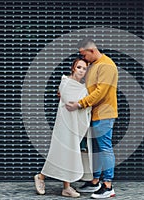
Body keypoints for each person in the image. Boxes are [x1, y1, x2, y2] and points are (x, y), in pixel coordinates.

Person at [66, 38, 118, 199]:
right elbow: (87, 89)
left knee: (104, 148)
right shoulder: (95, 66)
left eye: (83, 55)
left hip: (104, 114)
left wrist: (80, 104)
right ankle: (95, 181)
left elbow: (100, 92)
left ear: (92, 51)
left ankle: (108, 185)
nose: (83, 58)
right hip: (94, 114)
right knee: (95, 149)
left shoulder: (106, 66)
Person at [34, 58, 93, 198]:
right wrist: (83, 102)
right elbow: (70, 103)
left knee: (69, 155)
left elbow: (83, 103)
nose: (81, 71)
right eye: (79, 67)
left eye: (84, 69)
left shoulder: (83, 87)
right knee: (59, 153)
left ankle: (66, 187)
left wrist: (83, 103)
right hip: (65, 125)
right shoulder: (66, 83)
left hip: (74, 127)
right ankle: (41, 177)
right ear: (73, 68)